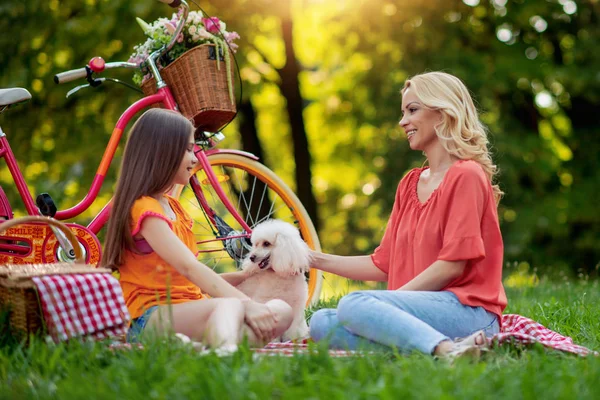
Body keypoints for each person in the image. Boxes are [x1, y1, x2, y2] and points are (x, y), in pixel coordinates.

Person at [309, 72, 507, 359]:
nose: (403, 121)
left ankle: (446, 350)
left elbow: (452, 266)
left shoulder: (466, 174)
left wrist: (386, 303)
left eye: (412, 110)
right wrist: (312, 259)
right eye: (403, 112)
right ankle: (430, 348)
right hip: (417, 311)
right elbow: (382, 264)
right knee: (321, 322)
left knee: (354, 304)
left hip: (469, 313)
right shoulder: (409, 184)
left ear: (442, 114)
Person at [102, 108, 293, 349]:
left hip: (189, 313)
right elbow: (189, 267)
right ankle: (223, 355)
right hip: (150, 319)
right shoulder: (144, 208)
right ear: (162, 151)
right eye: (188, 149)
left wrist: (246, 276)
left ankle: (199, 345)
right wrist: (247, 303)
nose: (194, 158)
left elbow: (187, 282)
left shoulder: (172, 206)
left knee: (281, 309)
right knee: (230, 305)